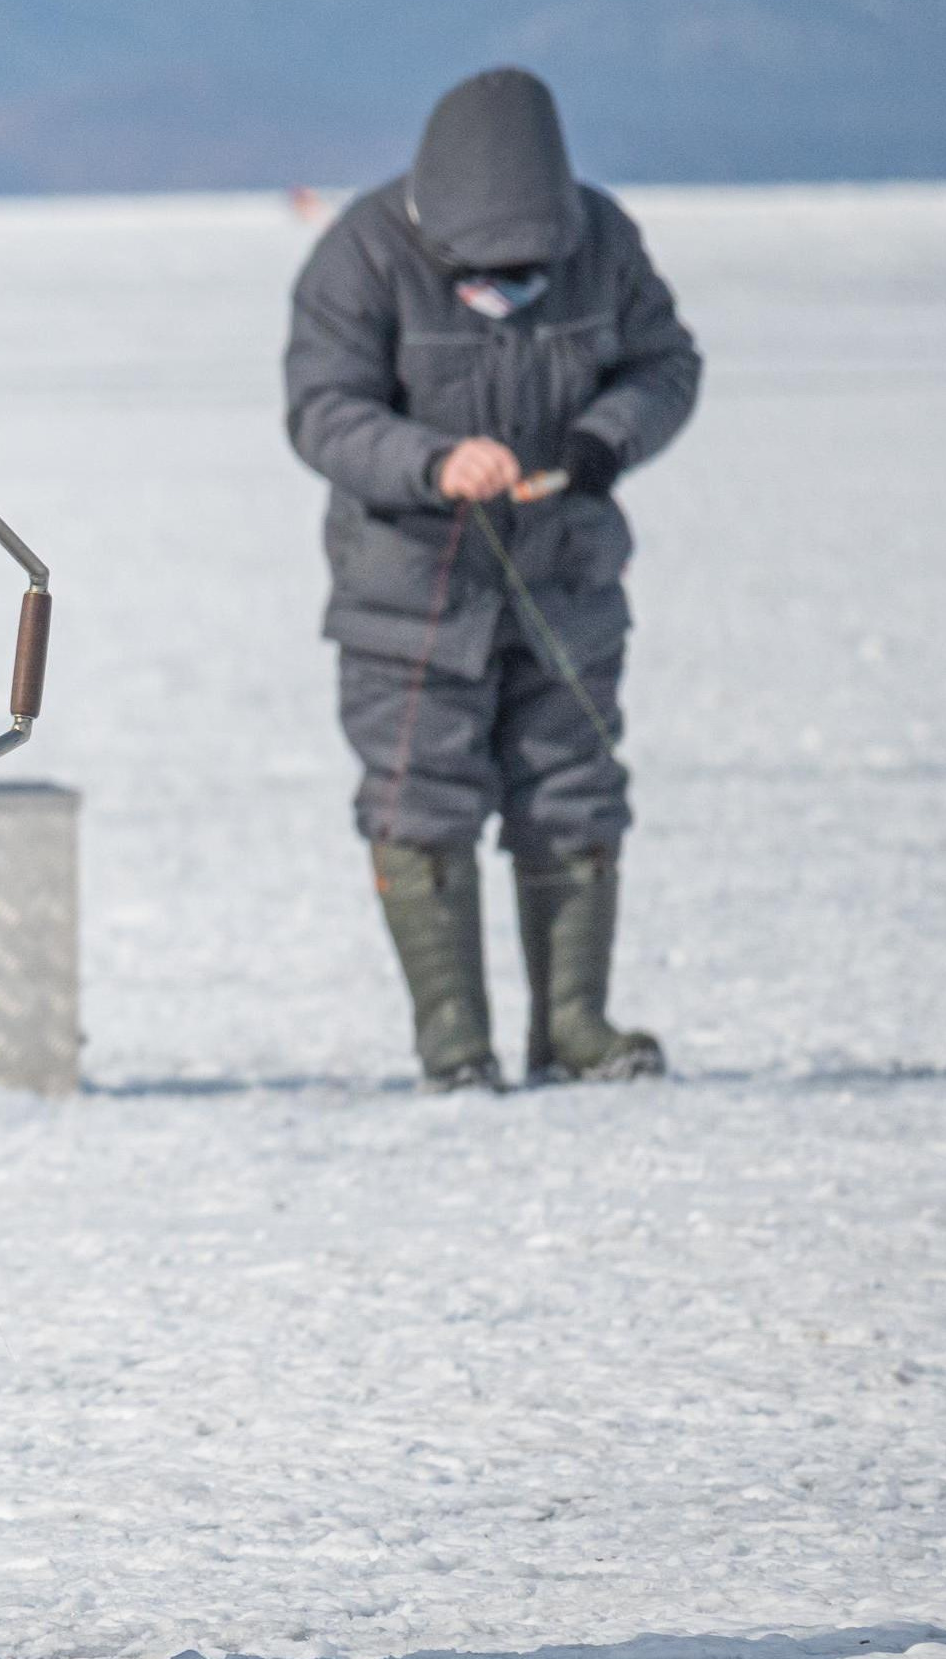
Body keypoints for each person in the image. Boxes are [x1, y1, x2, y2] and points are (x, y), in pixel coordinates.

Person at [284, 67, 700, 1089]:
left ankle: (573, 1027)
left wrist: (604, 439)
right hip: (407, 589)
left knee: (574, 789)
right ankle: (453, 1045)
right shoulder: (362, 251)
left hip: (564, 575)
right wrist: (431, 461)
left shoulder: (600, 240)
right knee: (416, 799)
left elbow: (665, 365)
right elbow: (323, 410)